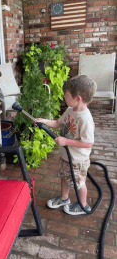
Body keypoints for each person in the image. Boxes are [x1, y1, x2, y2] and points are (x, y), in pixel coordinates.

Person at [36, 75, 97, 215]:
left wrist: (66, 141)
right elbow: (58, 123)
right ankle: (64, 198)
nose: (64, 97)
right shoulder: (70, 111)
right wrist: (44, 121)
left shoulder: (85, 119)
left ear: (78, 98)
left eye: (67, 95)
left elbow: (88, 143)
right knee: (64, 176)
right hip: (66, 156)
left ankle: (83, 205)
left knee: (78, 182)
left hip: (77, 160)